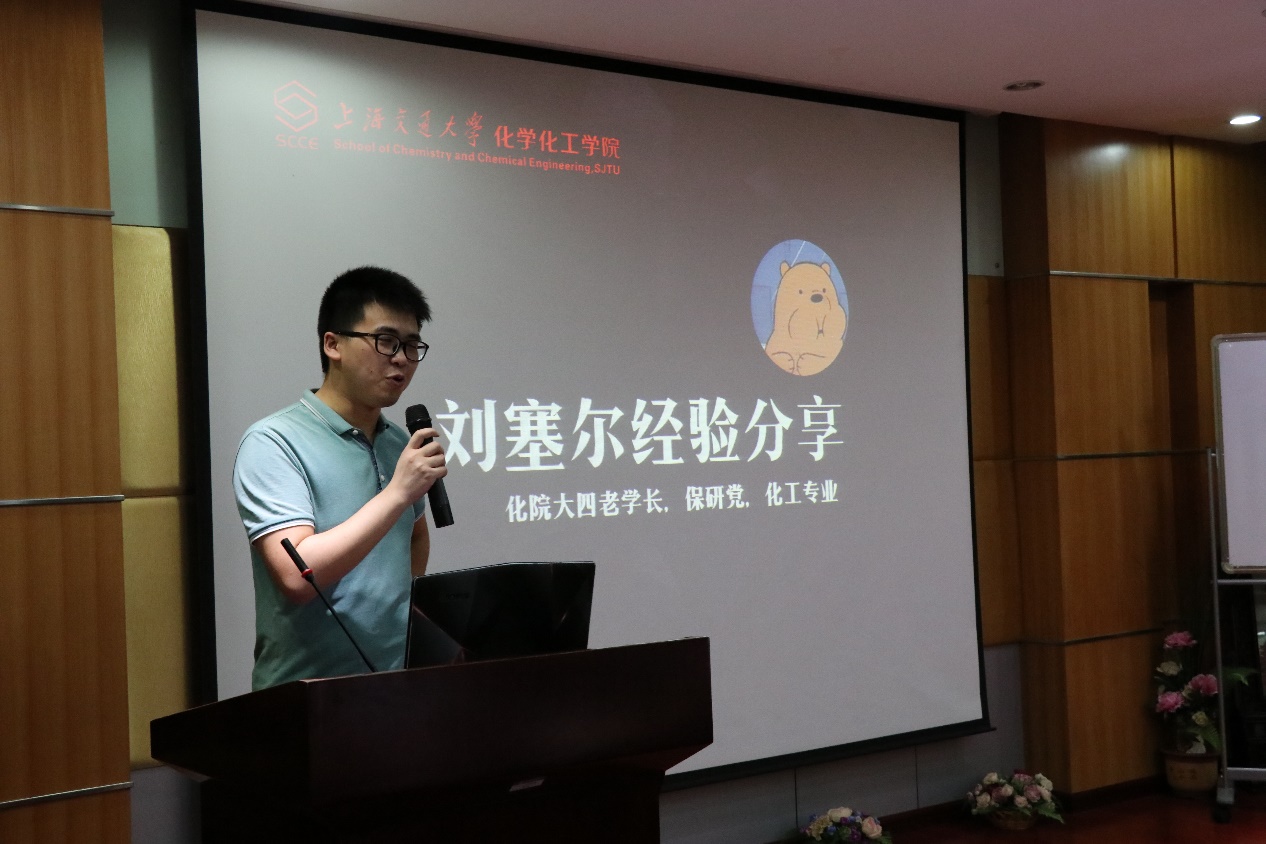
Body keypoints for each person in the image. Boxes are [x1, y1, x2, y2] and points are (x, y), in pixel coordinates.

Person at [233, 266, 447, 690]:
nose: (401, 358)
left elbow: (415, 534)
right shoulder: (274, 441)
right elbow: (297, 574)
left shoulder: (397, 442)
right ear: (333, 344)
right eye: (385, 341)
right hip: (305, 696)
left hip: (394, 686)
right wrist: (397, 493)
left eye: (411, 345)